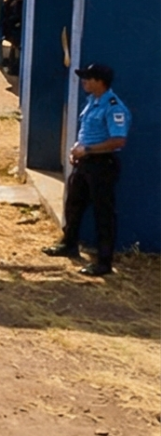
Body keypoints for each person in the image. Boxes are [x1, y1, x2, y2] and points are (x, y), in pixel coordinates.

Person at [45, 62, 130, 277]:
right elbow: (88, 131)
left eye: (88, 78)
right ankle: (69, 243)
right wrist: (79, 150)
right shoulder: (93, 102)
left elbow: (118, 140)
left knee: (103, 213)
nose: (84, 81)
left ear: (100, 82)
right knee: (74, 203)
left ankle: (103, 262)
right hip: (86, 162)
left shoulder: (113, 106)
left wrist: (88, 150)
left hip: (102, 165)